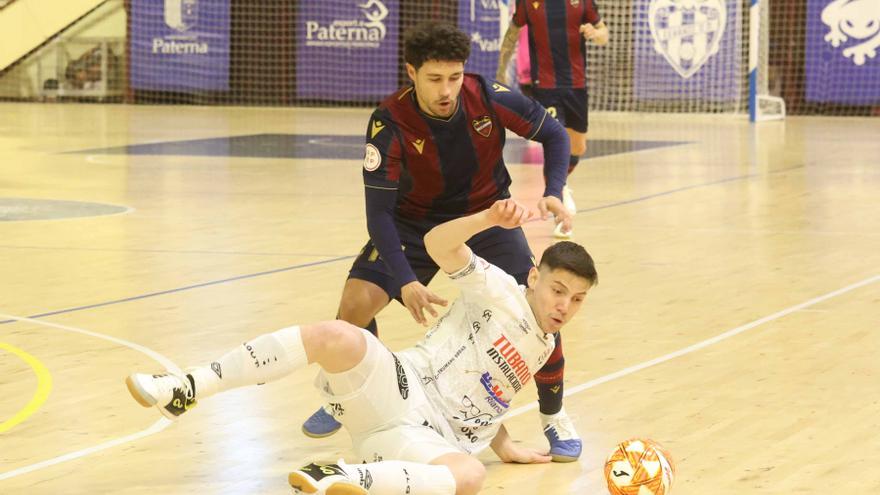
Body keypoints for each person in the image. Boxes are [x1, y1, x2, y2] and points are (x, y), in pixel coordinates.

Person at [126, 199, 598, 495]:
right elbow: (437, 245)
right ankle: (186, 386)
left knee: (471, 478)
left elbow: (483, 391)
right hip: (399, 386)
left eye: (576, 299)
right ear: (534, 277)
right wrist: (484, 219)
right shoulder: (500, 288)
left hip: (423, 441)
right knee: (339, 335)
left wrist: (504, 441)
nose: (564, 305)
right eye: (557, 289)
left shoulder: (546, 344)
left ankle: (340, 476)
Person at [301, 22, 583, 461]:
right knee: (354, 306)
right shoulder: (389, 121)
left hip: (489, 216)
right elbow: (378, 214)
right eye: (434, 79)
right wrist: (406, 280)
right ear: (411, 72)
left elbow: (554, 134)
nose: (447, 89)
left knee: (542, 309)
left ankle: (554, 417)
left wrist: (553, 187)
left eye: (454, 77)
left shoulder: (488, 96)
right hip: (413, 223)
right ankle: (347, 395)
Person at [496, 0, 610, 238]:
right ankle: (557, 204)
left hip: (576, 86)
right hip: (545, 87)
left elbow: (604, 35)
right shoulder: (528, 3)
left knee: (578, 146)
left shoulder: (583, 3)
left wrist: (594, 33)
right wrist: (501, 72)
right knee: (555, 140)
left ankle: (561, 184)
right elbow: (511, 35)